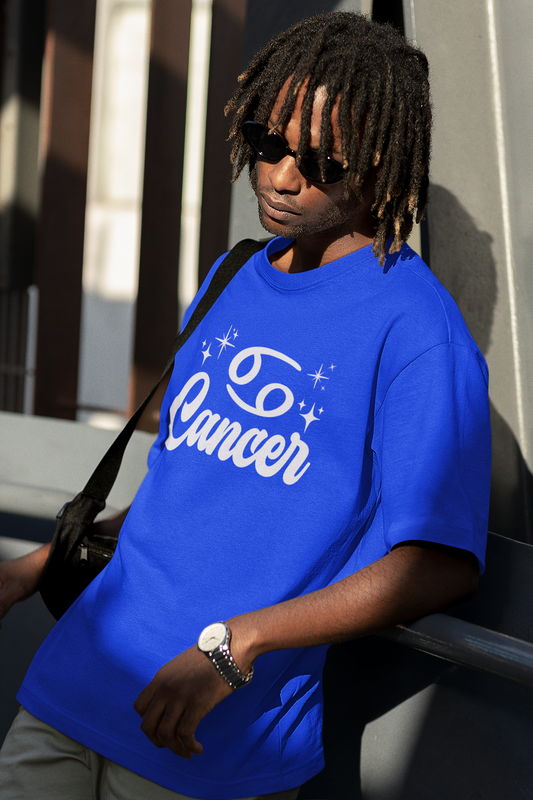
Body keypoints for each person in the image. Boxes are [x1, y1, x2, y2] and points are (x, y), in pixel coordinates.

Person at [0, 11, 490, 800]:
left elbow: (437, 564)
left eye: (322, 160)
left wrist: (238, 646)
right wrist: (42, 563)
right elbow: (190, 485)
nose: (281, 177)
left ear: (380, 162)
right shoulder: (234, 276)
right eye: (269, 144)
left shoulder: (416, 332)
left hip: (206, 740)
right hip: (70, 687)